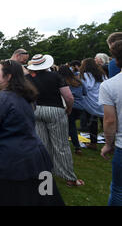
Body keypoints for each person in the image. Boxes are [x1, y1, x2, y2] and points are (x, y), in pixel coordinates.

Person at [0, 59, 64, 206]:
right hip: (38, 158)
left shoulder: (2, 98)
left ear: (8, 76)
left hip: (10, 163)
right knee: (45, 198)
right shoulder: (26, 95)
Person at [26, 54, 84, 187]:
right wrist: (69, 109)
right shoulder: (56, 76)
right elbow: (68, 97)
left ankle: (46, 174)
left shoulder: (27, 78)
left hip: (35, 111)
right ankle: (69, 177)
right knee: (61, 145)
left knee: (43, 144)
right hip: (55, 110)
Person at [99, 40, 122, 206]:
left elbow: (109, 120)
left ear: (116, 60)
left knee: (118, 190)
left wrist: (108, 144)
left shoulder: (110, 85)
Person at [57, 65, 86, 155]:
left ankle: (76, 146)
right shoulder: (78, 81)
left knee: (70, 127)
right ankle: (75, 146)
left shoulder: (62, 82)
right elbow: (85, 92)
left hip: (70, 106)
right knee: (71, 125)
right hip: (80, 107)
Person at [80, 58, 107, 150]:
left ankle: (93, 143)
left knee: (92, 123)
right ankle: (109, 143)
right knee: (105, 123)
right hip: (103, 100)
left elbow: (85, 88)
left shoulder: (84, 76)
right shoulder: (102, 74)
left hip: (90, 102)